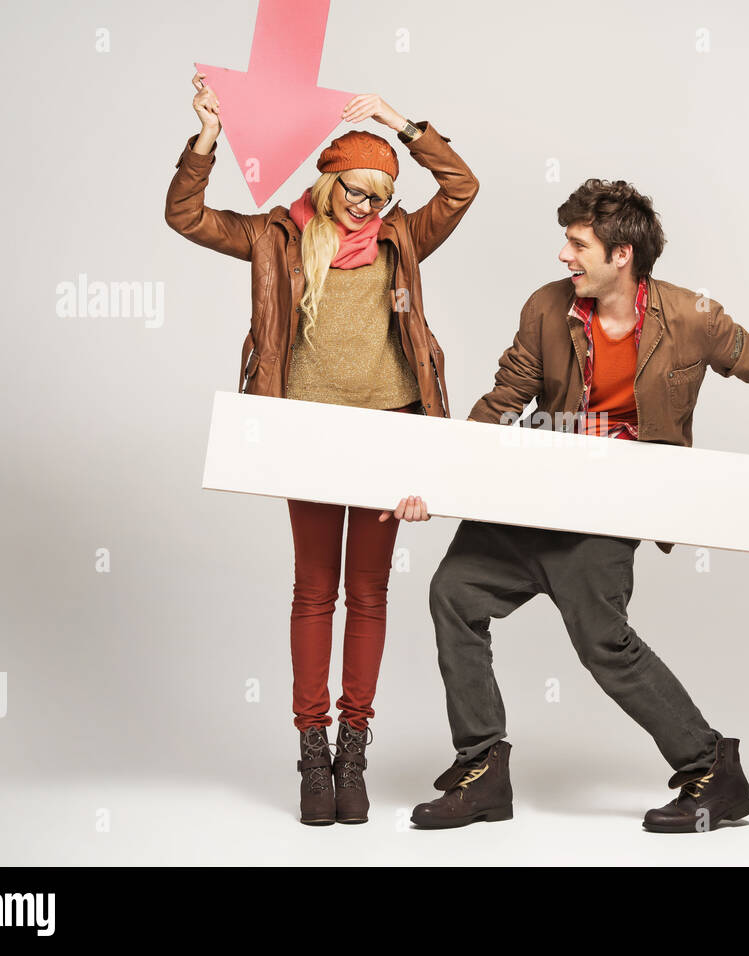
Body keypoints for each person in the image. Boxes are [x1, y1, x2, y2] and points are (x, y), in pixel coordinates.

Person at [405, 178, 749, 832]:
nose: (564, 256)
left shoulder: (692, 317)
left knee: (604, 643)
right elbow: (506, 397)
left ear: (622, 253)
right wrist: (441, 478)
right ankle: (483, 769)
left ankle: (713, 769)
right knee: (453, 591)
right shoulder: (548, 308)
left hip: (611, 506)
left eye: (578, 244)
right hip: (532, 491)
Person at [163, 72, 478, 826]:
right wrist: (208, 139)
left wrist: (402, 123)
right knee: (315, 590)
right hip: (306, 433)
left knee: (369, 594)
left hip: (389, 428)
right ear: (329, 180)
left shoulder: (403, 237)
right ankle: (311, 752)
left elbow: (462, 186)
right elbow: (184, 216)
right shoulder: (276, 235)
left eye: (381, 196)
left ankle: (353, 749)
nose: (370, 208)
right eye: (357, 192)